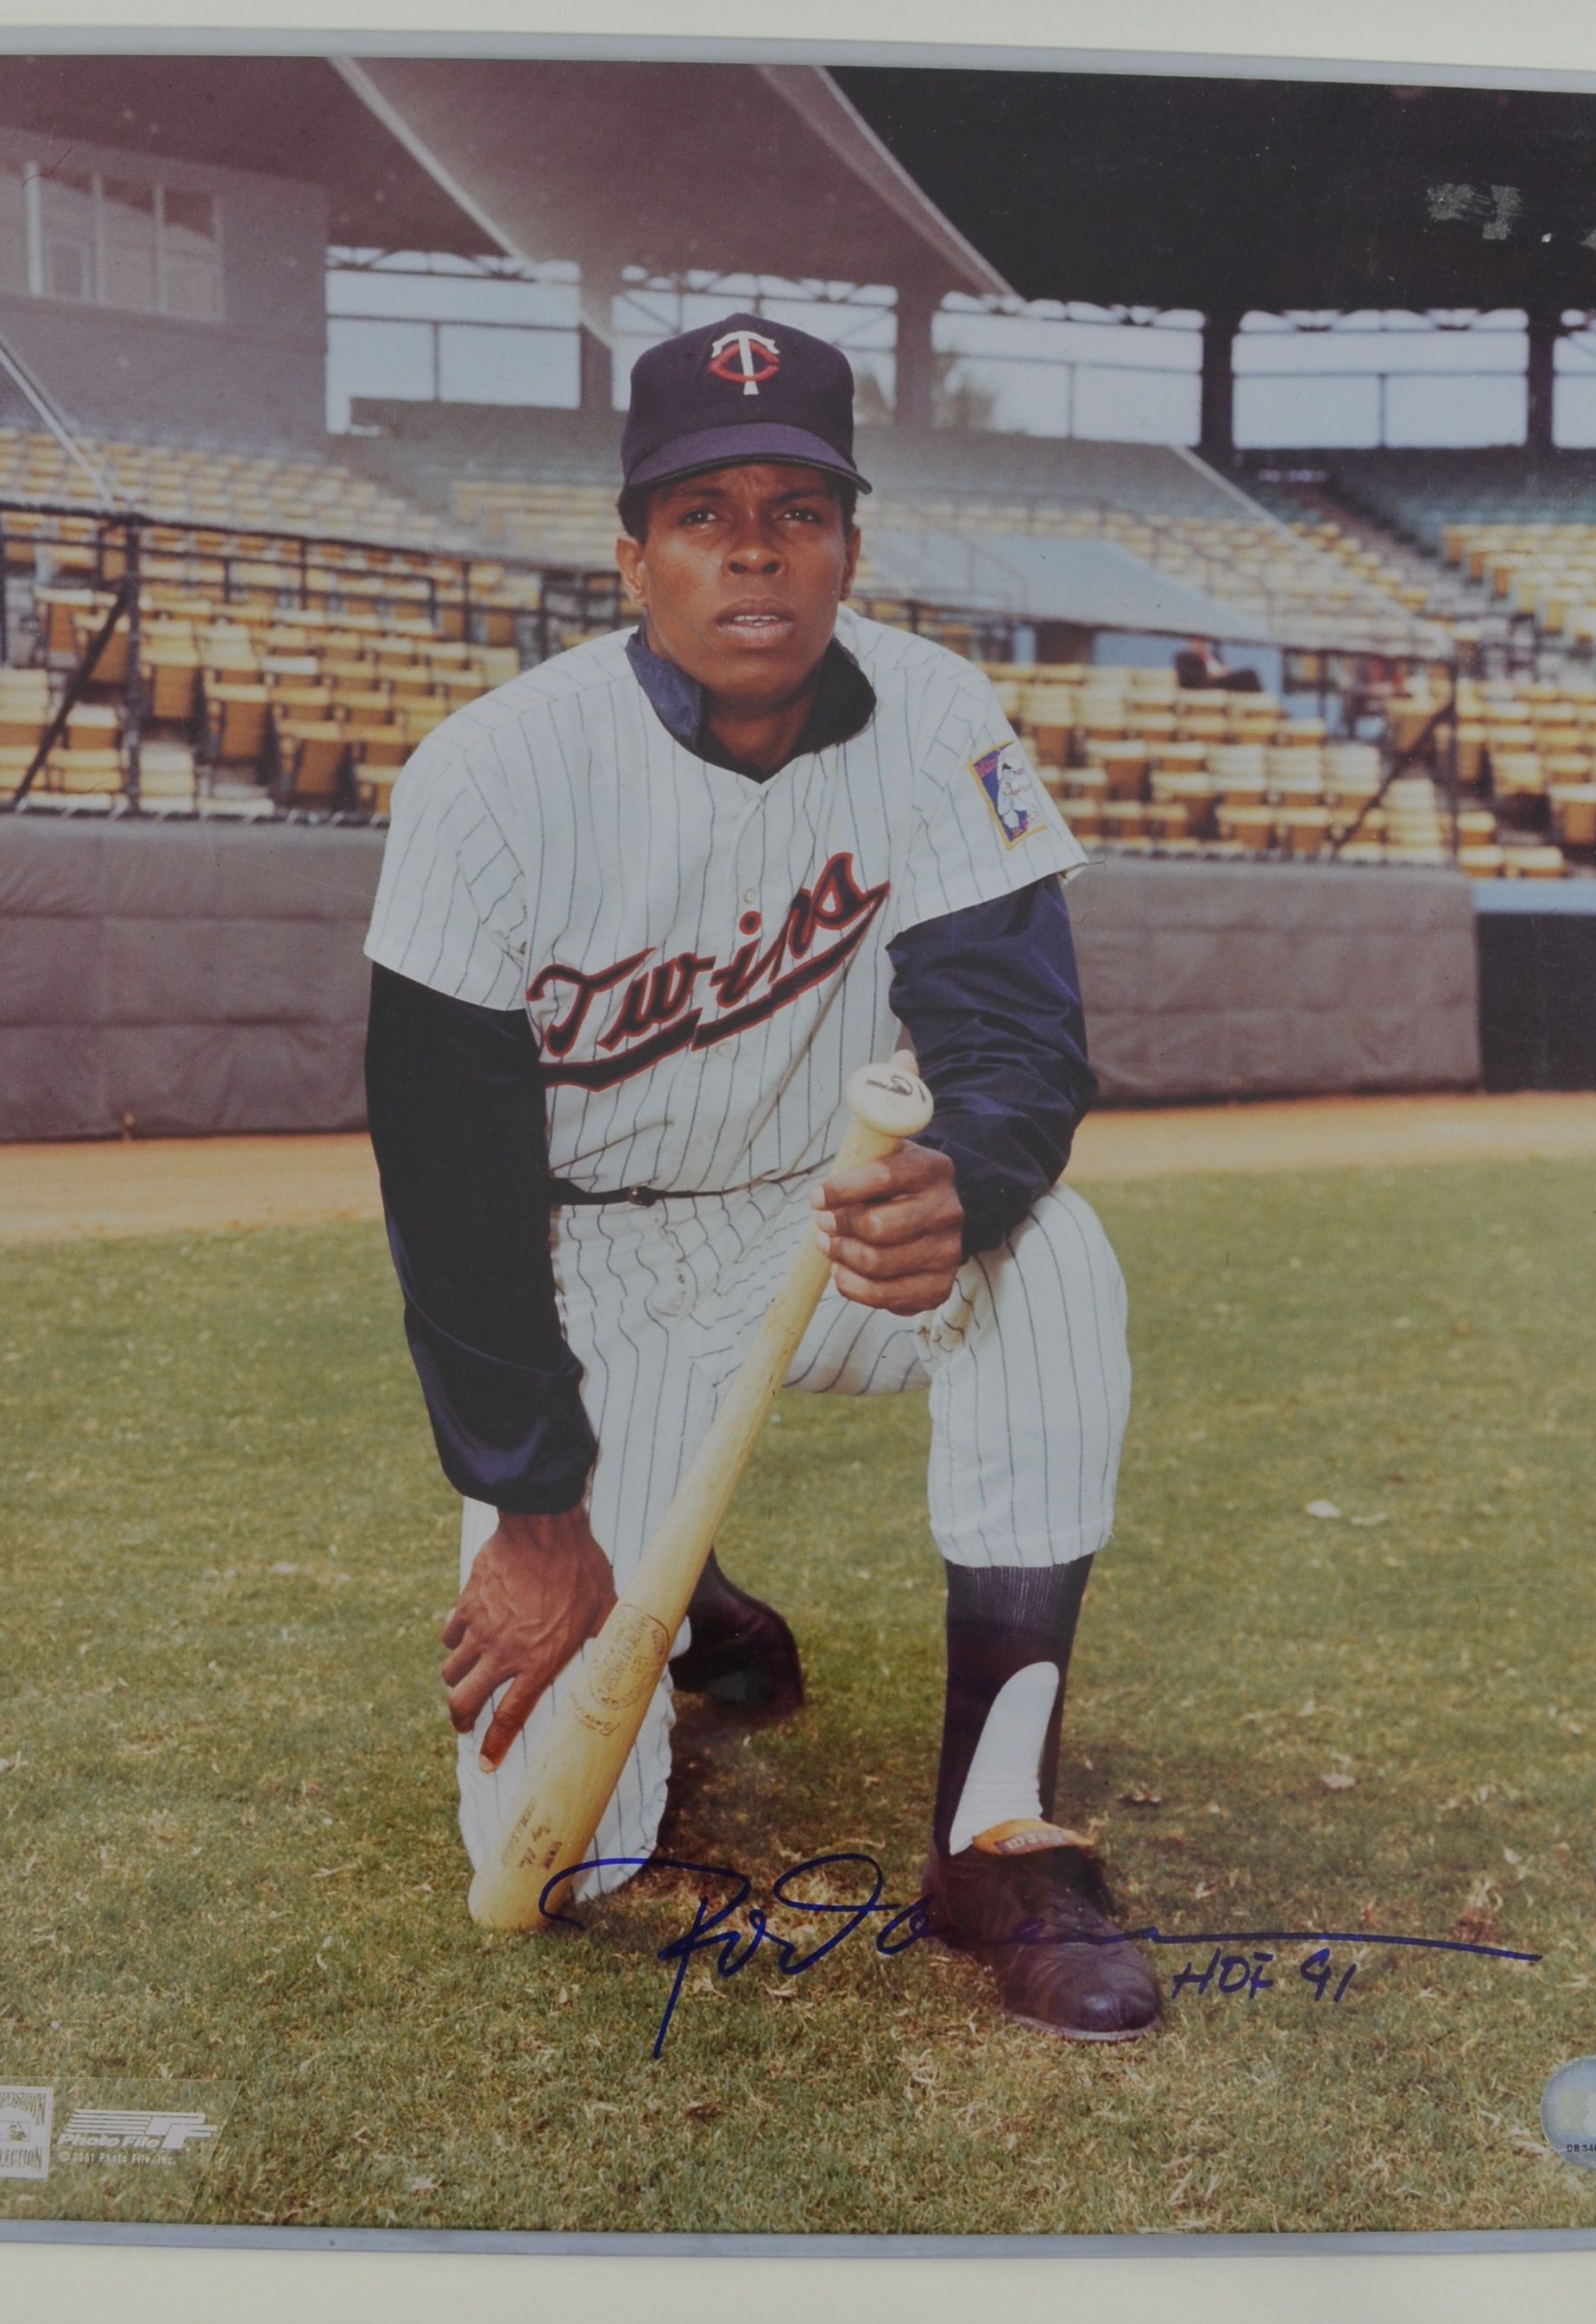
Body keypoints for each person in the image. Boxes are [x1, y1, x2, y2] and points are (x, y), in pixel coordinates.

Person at [363, 319, 1157, 2039]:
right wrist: (538, 1513)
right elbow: (448, 1173)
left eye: (795, 505)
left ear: (848, 546)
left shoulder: (934, 711)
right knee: (556, 1854)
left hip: (827, 1218)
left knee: (1054, 1259)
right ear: (630, 549)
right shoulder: (493, 773)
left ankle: (995, 1828)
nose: (751, 545)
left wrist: (973, 1165)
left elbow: (1021, 1037)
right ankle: (676, 1559)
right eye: (703, 508)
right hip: (590, 1268)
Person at [1173, 633, 1263, 692]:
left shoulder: (1212, 656)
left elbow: (1223, 668)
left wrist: (1224, 671)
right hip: (1205, 685)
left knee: (1249, 674)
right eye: (1196, 641)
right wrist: (1211, 675)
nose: (1199, 644)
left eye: (1202, 641)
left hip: (1222, 679)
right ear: (1190, 642)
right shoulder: (1184, 657)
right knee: (1247, 676)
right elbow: (1187, 680)